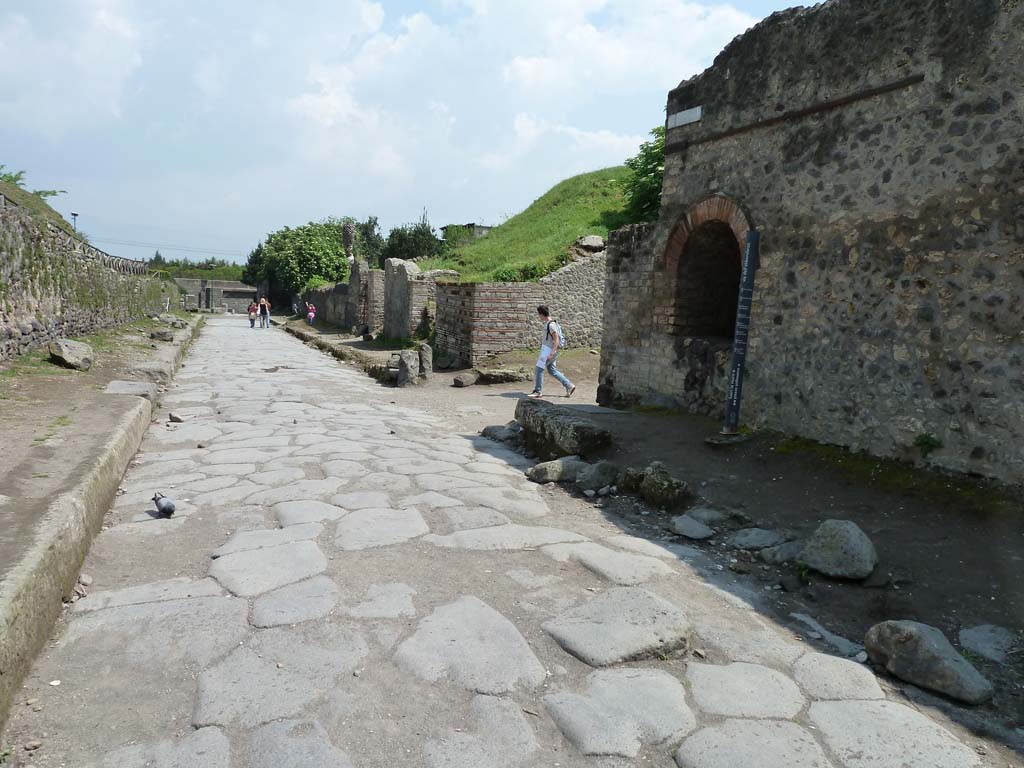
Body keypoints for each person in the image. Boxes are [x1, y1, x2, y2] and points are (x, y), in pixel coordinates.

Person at [529, 305, 575, 399]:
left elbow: (556, 340)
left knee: (539, 369)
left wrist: (552, 353)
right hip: (548, 349)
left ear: (542, 314)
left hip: (549, 350)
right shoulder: (552, 323)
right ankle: (569, 385)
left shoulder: (551, 325)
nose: (539, 316)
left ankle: (538, 391)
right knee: (552, 370)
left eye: (539, 314)